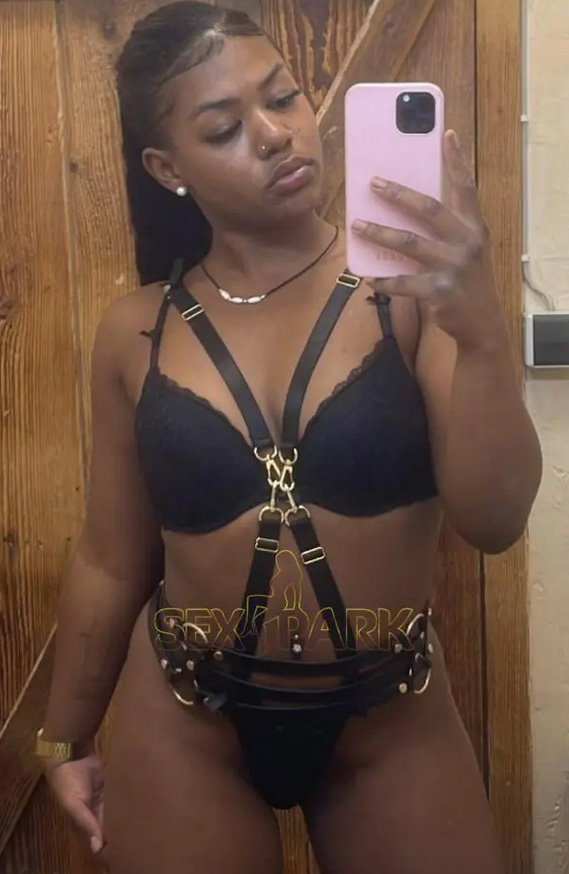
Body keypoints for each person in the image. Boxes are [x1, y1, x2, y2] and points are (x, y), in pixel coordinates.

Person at [36, 2, 542, 872]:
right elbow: (112, 560)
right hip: (185, 714)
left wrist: (484, 329)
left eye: (283, 97)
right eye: (225, 127)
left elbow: (493, 521)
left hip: (390, 714)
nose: (275, 134)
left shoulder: (410, 296)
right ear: (167, 167)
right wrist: (63, 734)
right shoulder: (137, 331)